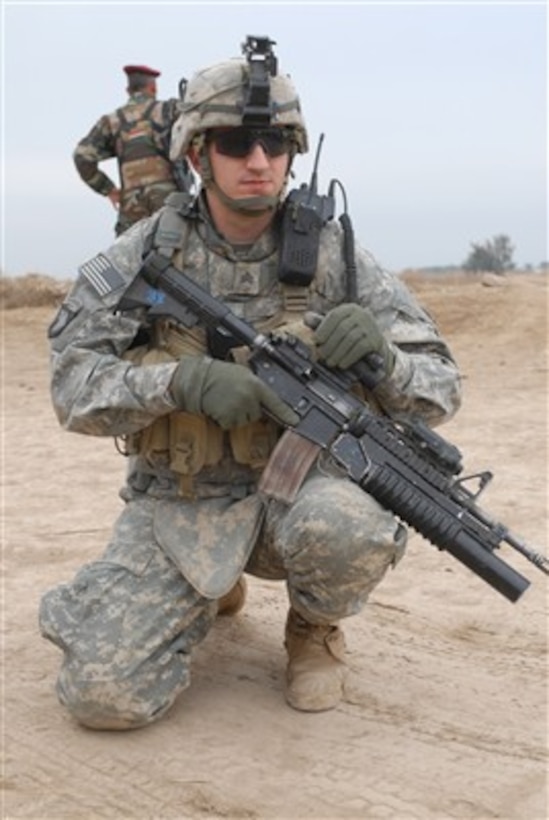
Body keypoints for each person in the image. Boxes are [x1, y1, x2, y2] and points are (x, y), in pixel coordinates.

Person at [40, 35, 462, 730]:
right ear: (197, 154)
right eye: (235, 143)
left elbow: (441, 386)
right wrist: (178, 384)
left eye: (274, 142)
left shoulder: (336, 254)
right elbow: (71, 386)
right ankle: (199, 589)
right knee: (103, 699)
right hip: (179, 505)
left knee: (351, 524)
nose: (258, 161)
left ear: (294, 150)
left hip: (300, 499)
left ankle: (314, 626)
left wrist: (385, 361)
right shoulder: (143, 252)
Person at [73, 64, 193, 236]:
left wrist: (109, 190)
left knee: (129, 258)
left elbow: (82, 156)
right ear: (153, 88)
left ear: (128, 90)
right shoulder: (168, 110)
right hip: (170, 201)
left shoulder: (112, 121)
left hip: (131, 207)